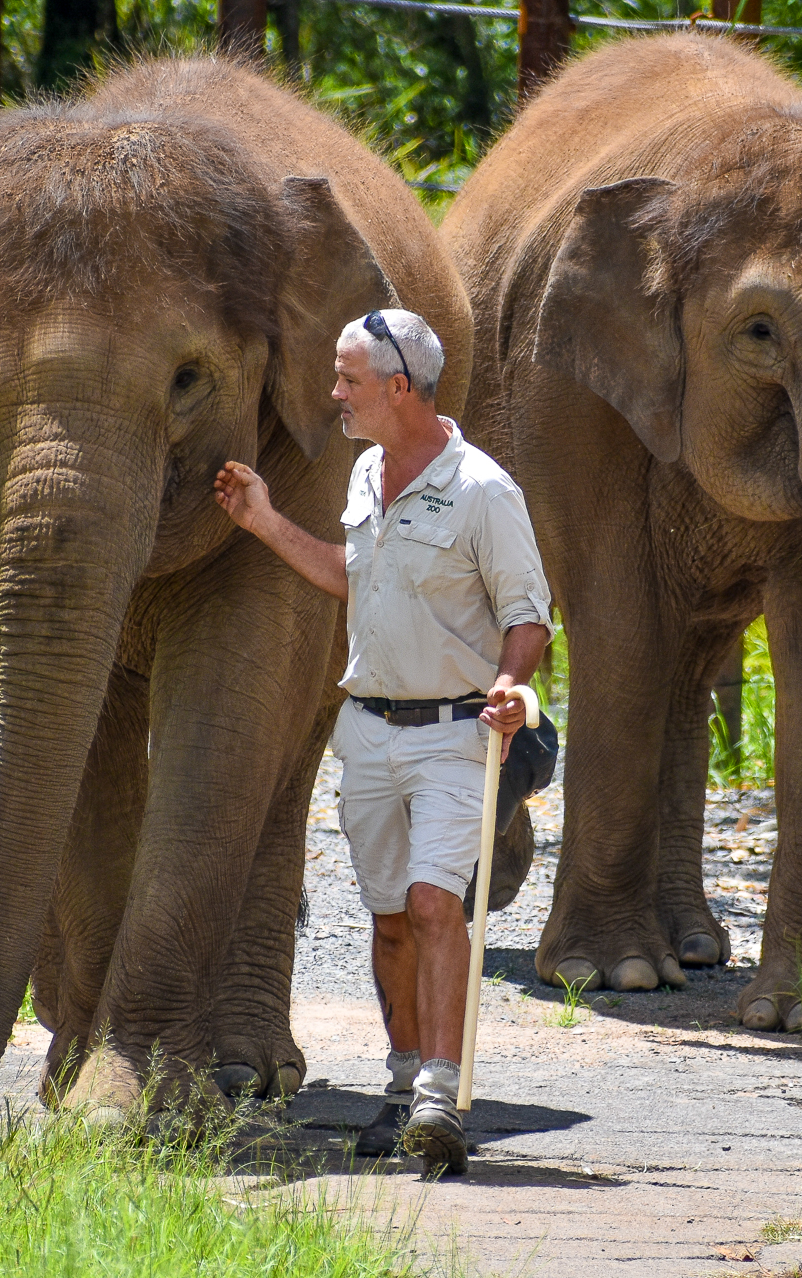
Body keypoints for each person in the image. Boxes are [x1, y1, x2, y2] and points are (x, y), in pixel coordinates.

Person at [214, 309, 551, 1175]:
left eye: (348, 381)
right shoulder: (366, 473)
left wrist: (512, 687)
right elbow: (351, 577)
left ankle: (441, 1094)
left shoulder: (484, 490)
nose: (335, 395)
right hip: (365, 731)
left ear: (398, 387)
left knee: (438, 903)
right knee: (391, 917)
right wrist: (262, 519)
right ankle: (403, 1087)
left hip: (454, 732)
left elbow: (528, 615)